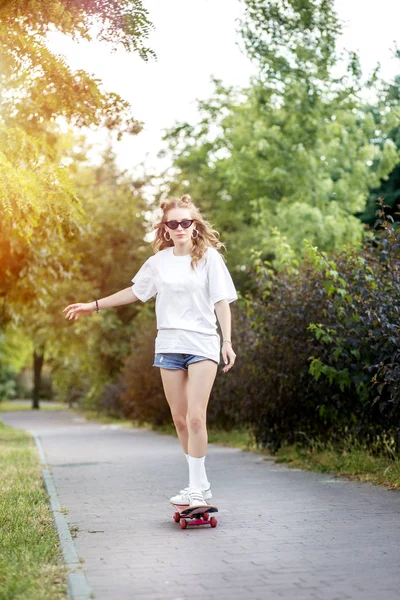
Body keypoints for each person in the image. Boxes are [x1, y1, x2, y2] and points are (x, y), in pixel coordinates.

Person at [63, 194, 237, 508]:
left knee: (196, 417)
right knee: (180, 419)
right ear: (165, 229)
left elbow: (221, 302)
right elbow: (135, 291)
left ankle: (196, 489)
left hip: (202, 344)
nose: (180, 227)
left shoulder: (209, 257)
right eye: (174, 223)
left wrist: (227, 341)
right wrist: (94, 305)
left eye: (186, 222)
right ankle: (199, 483)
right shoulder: (158, 263)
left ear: (194, 225)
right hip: (169, 346)